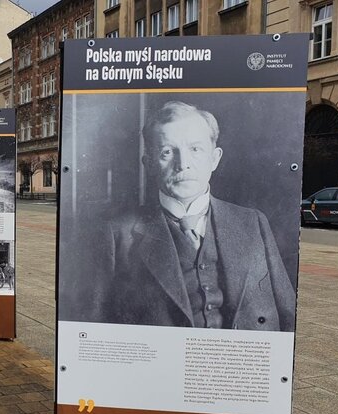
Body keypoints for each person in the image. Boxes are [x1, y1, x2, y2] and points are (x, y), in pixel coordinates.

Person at [94, 101, 295, 332]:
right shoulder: (117, 235)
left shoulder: (253, 223)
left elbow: (287, 312)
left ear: (214, 158)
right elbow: (96, 326)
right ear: (149, 163)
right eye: (167, 152)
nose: (183, 164)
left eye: (195, 149)